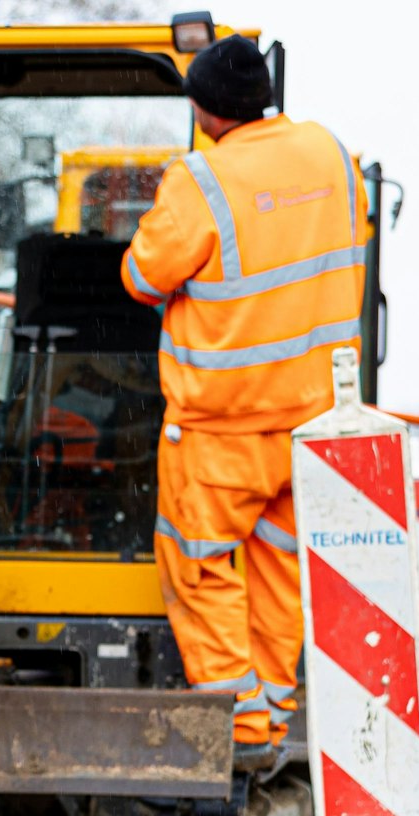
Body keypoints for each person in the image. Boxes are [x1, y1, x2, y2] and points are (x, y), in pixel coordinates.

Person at [118, 35, 368, 767]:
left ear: (204, 110)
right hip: (314, 422)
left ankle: (241, 724)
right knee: (276, 569)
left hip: (222, 426)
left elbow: (142, 275)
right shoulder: (329, 153)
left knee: (198, 565)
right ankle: (274, 711)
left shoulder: (200, 181)